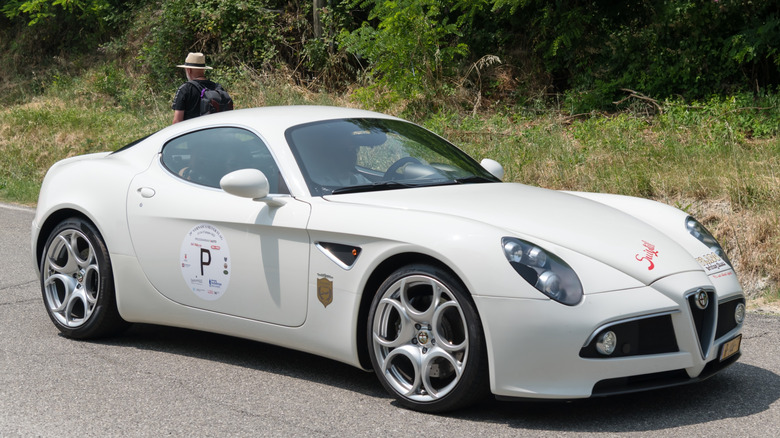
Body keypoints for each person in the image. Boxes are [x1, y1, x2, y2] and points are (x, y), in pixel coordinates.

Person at [171, 52, 225, 124]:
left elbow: (177, 121)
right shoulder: (216, 87)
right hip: (214, 132)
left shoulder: (185, 89)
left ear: (189, 70)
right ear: (203, 69)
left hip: (193, 133)